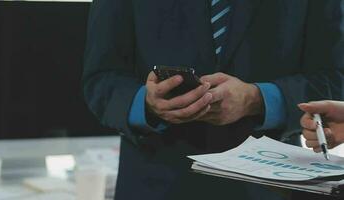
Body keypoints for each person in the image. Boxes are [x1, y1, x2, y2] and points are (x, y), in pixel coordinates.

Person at [83, 0, 344, 200]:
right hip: (153, 184)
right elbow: (101, 78)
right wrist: (146, 104)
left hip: (270, 186)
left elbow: (336, 76)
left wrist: (258, 99)